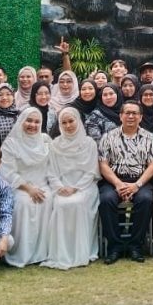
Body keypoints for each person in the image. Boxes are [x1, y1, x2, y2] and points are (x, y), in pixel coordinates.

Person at [98, 101, 153, 264]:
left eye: (134, 113)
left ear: (140, 117)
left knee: (145, 199)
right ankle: (115, 247)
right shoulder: (108, 137)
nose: (131, 116)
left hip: (140, 180)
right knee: (106, 200)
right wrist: (118, 184)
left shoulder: (149, 137)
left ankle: (135, 246)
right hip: (114, 180)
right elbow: (103, 164)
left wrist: (137, 185)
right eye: (127, 113)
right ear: (121, 116)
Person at [43, 108, 100, 270]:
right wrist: (60, 187)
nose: (68, 125)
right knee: (61, 204)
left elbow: (91, 171)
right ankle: (62, 253)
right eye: (64, 122)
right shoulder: (55, 145)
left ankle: (80, 252)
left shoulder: (89, 143)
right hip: (61, 188)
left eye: (71, 121)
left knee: (77, 203)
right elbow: (51, 171)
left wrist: (75, 187)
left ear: (78, 121)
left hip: (85, 187)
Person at [0, 107, 53, 268]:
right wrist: (29, 189)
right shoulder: (11, 143)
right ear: (21, 121)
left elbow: (54, 165)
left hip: (43, 185)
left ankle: (43, 253)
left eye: (37, 122)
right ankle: (22, 252)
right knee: (24, 203)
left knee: (48, 200)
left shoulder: (45, 140)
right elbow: (8, 172)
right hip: (20, 187)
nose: (32, 125)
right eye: (29, 121)